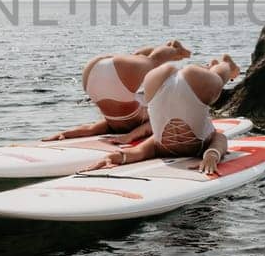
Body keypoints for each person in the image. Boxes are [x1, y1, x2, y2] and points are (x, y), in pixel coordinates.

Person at [93, 54, 240, 175]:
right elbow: (221, 138)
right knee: (216, 78)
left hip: (158, 84)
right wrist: (212, 155)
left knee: (216, 78)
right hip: (165, 85)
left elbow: (135, 153)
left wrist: (117, 157)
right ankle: (225, 65)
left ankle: (223, 66)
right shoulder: (157, 146)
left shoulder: (156, 145)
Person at [41, 40, 191, 142]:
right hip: (95, 84)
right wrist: (129, 137)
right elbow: (148, 128)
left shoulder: (111, 124)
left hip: (97, 74)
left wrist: (63, 134)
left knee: (151, 61)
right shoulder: (115, 123)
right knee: (152, 61)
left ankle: (172, 49)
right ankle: (174, 47)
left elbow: (89, 129)